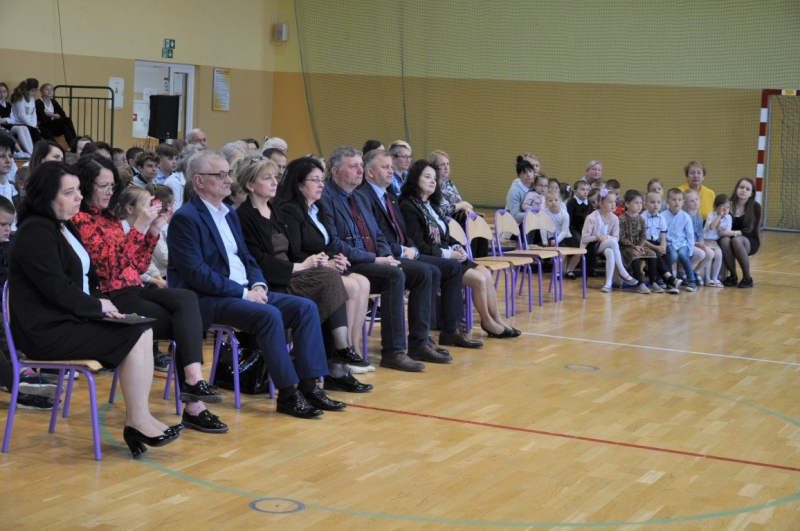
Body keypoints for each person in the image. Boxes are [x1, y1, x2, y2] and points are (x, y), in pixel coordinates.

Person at [8, 161, 179, 457]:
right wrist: (98, 306)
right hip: (45, 330)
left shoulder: (63, 226)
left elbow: (87, 280)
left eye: (78, 190)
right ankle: (137, 421)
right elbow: (57, 289)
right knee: (135, 334)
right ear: (46, 196)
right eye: (69, 192)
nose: (78, 197)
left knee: (142, 328)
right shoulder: (35, 230)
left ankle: (140, 418)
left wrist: (103, 305)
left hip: (68, 319)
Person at [168, 150, 345, 418]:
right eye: (221, 175)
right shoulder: (186, 218)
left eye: (228, 173)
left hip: (244, 292)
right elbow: (196, 274)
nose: (228, 180)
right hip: (207, 299)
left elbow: (248, 258)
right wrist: (243, 293)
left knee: (305, 308)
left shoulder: (228, 213)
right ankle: (288, 394)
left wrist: (259, 284)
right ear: (199, 180)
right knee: (269, 315)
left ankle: (310, 387)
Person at [72, 154, 228, 433]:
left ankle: (193, 382)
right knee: (184, 324)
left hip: (135, 287)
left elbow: (137, 265)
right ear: (86, 186)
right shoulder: (81, 220)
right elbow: (110, 269)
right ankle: (194, 403)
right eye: (103, 186)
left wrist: (153, 231)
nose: (109, 192)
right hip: (112, 295)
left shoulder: (109, 219)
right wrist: (140, 228)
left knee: (187, 298)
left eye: (111, 186)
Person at [236, 156, 374, 391]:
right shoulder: (244, 216)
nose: (274, 183)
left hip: (292, 273)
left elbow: (294, 249)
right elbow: (259, 260)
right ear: (250, 184)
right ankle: (339, 355)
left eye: (275, 178)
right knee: (330, 282)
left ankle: (334, 364)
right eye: (267, 178)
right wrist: (303, 266)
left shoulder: (274, 211)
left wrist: (321, 260)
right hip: (272, 281)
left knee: (332, 287)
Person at [320, 146, 443, 371]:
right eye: (353, 166)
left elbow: (377, 235)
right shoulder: (325, 197)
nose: (360, 170)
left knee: (423, 271)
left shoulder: (360, 197)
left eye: (360, 165)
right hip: (350, 263)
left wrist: (386, 254)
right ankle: (393, 352)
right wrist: (375, 259)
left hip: (372, 260)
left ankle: (419, 343)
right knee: (393, 276)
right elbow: (334, 243)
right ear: (335, 172)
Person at [362, 151, 481, 348]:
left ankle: (450, 330)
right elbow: (376, 237)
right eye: (385, 167)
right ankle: (420, 338)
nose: (391, 171)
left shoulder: (390, 198)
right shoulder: (379, 199)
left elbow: (404, 233)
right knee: (429, 270)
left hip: (407, 251)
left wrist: (414, 249)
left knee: (452, 268)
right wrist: (405, 250)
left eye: (391, 167)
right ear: (370, 172)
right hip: (387, 255)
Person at [275, 156, 376, 388]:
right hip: (300, 272)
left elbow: (326, 243)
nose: (321, 184)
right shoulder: (290, 210)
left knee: (361, 282)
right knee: (347, 285)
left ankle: (348, 351)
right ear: (299, 184)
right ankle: (340, 359)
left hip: (320, 268)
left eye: (322, 179)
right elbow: (294, 252)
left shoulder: (317, 207)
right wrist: (326, 264)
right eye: (315, 180)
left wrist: (336, 258)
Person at [400, 159, 519, 340]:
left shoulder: (432, 206)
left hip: (448, 255)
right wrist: (450, 253)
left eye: (434, 178)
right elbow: (419, 245)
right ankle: (487, 321)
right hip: (432, 258)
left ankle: (498, 319)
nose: (433, 181)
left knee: (485, 273)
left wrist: (457, 247)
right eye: (427, 177)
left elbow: (446, 236)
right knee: (479, 279)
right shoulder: (408, 206)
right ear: (415, 179)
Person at [580, 189, 638, 293]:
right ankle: (623, 272)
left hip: (605, 245)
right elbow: (584, 238)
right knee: (612, 243)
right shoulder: (591, 218)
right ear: (601, 203)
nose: (613, 204)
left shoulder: (615, 218)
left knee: (610, 251)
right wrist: (596, 238)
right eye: (610, 202)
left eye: (615, 201)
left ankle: (608, 283)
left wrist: (606, 237)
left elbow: (616, 237)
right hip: (590, 247)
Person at [618, 190, 663, 294]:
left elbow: (643, 236)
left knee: (652, 254)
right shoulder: (621, 219)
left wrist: (640, 245)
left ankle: (652, 282)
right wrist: (634, 246)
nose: (639, 205)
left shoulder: (641, 219)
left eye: (640, 203)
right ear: (627, 204)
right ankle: (640, 284)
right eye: (636, 203)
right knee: (635, 255)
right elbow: (622, 237)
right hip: (626, 247)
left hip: (639, 246)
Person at [720, 178, 760, 288]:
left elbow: (750, 230)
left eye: (747, 189)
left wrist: (732, 233)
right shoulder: (728, 204)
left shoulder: (755, 207)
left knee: (737, 240)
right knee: (724, 241)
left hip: (749, 239)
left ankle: (747, 278)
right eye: (741, 187)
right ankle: (733, 276)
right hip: (728, 237)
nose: (743, 190)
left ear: (751, 194)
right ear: (736, 189)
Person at [643, 191, 682, 294]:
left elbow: (662, 236)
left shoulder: (661, 218)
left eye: (658, 202)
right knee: (655, 254)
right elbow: (641, 239)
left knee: (666, 254)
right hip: (646, 244)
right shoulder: (642, 218)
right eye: (652, 202)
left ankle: (670, 284)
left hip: (657, 243)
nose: (656, 205)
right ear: (645, 204)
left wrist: (663, 247)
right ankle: (670, 279)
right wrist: (656, 248)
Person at [662, 188, 697, 292]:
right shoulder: (662, 216)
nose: (676, 202)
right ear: (668, 202)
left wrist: (690, 250)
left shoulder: (685, 217)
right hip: (669, 243)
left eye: (679, 200)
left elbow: (690, 235)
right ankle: (668, 280)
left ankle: (692, 281)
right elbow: (661, 233)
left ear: (683, 202)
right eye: (673, 199)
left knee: (683, 255)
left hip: (682, 243)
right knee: (673, 256)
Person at [429, 150, 473, 221]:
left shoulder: (448, 184)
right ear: (434, 167)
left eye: (447, 164)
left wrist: (466, 208)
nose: (446, 168)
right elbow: (445, 209)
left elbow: (458, 201)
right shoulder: (432, 186)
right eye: (442, 164)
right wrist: (464, 204)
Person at [684, 189, 713, 286]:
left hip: (696, 242)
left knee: (710, 253)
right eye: (691, 200)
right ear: (685, 204)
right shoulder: (685, 216)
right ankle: (683, 270)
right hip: (686, 243)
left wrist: (701, 242)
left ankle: (696, 271)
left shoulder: (698, 216)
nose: (695, 202)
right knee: (701, 254)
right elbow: (684, 235)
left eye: (696, 199)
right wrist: (696, 244)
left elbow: (699, 232)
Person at [9, 79, 52, 145]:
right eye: (32, 91)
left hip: (30, 124)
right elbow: (21, 116)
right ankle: (38, 149)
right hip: (19, 123)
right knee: (35, 132)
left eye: (36, 90)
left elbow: (33, 113)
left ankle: (55, 147)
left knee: (46, 131)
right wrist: (32, 126)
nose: (35, 93)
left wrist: (34, 124)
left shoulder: (31, 98)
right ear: (26, 90)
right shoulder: (19, 99)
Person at [702, 194, 732, 287]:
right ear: (716, 207)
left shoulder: (728, 217)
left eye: (727, 208)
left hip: (714, 242)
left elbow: (726, 231)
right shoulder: (711, 215)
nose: (725, 210)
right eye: (723, 208)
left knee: (719, 255)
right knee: (709, 255)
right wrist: (719, 216)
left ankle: (715, 277)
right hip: (706, 240)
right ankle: (707, 278)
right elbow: (711, 227)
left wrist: (719, 228)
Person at [564, 180, 591, 278]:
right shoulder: (572, 203)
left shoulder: (589, 203)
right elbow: (568, 219)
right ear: (575, 191)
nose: (585, 192)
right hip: (572, 228)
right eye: (582, 189)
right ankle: (569, 270)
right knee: (580, 246)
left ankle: (576, 269)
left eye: (587, 190)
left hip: (583, 230)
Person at [0, 82, 34, 156]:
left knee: (24, 127)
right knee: (19, 129)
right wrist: (7, 119)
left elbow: (13, 119)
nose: (2, 94)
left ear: (7, 92)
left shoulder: (8, 104)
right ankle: (28, 152)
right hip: (2, 127)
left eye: (4, 92)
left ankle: (31, 150)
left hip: (8, 124)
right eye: (0, 92)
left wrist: (6, 119)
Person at [506, 155, 536, 225]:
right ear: (518, 176)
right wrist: (535, 215)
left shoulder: (537, 186)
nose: (528, 175)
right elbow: (515, 216)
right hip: (516, 225)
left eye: (530, 171)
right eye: (524, 173)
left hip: (533, 222)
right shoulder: (514, 191)